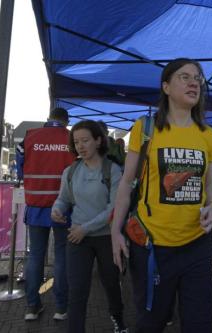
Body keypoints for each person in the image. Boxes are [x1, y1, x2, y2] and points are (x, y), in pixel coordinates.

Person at [111, 58, 212, 333]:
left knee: (199, 324)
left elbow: (210, 184)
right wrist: (114, 233)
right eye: (184, 77)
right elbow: (125, 184)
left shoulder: (208, 135)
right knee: (151, 323)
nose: (194, 82)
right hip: (153, 247)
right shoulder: (145, 129)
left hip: (198, 244)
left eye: (198, 78)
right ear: (166, 86)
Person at [51, 120, 127, 333]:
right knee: (77, 291)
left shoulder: (113, 170)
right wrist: (56, 209)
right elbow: (63, 199)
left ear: (98, 140)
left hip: (106, 237)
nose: (80, 146)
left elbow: (114, 208)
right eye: (76, 142)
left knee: (111, 284)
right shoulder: (71, 171)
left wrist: (86, 228)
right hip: (78, 238)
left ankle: (118, 319)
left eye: (85, 140)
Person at [16, 108, 76, 321]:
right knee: (61, 256)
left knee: (36, 256)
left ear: (49, 118)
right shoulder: (72, 138)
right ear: (65, 121)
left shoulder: (30, 137)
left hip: (36, 205)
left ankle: (32, 307)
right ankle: (61, 308)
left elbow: (20, 168)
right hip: (64, 208)